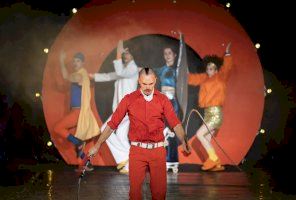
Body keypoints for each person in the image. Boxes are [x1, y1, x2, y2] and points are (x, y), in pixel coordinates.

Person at [89, 68, 191, 200]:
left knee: (159, 193)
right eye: (144, 84)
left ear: (155, 81)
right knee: (135, 193)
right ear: (138, 81)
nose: (147, 87)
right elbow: (112, 124)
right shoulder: (129, 99)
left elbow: (175, 124)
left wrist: (184, 140)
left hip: (157, 151)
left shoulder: (162, 100)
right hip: (137, 151)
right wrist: (97, 145)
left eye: (150, 84)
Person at [89, 40, 139, 174]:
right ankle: (131, 163)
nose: (125, 55)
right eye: (124, 53)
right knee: (121, 136)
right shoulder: (124, 70)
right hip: (123, 109)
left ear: (133, 55)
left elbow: (120, 73)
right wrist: (94, 76)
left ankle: (124, 158)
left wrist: (118, 53)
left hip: (126, 109)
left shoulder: (133, 68)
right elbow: (111, 75)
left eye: (127, 54)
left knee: (105, 129)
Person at [188, 42, 232, 171]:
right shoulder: (204, 78)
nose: (209, 70)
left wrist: (228, 54)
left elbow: (227, 67)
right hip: (207, 113)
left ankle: (213, 159)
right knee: (206, 137)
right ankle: (216, 164)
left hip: (215, 113)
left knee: (199, 134)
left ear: (217, 69)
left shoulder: (221, 77)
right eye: (207, 68)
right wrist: (181, 72)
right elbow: (191, 79)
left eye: (212, 68)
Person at [54, 51, 100, 170]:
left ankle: (78, 143)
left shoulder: (80, 75)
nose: (75, 63)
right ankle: (84, 163)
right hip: (76, 112)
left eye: (78, 61)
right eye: (74, 61)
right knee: (77, 139)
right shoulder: (81, 74)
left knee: (58, 128)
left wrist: (61, 61)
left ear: (83, 63)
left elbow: (66, 77)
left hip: (78, 113)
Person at [155, 46, 180, 172]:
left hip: (172, 103)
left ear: (175, 55)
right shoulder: (162, 70)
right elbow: (148, 71)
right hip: (162, 102)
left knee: (171, 131)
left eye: (170, 53)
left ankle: (172, 160)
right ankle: (164, 159)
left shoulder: (178, 70)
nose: (167, 55)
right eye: (165, 53)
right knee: (162, 131)